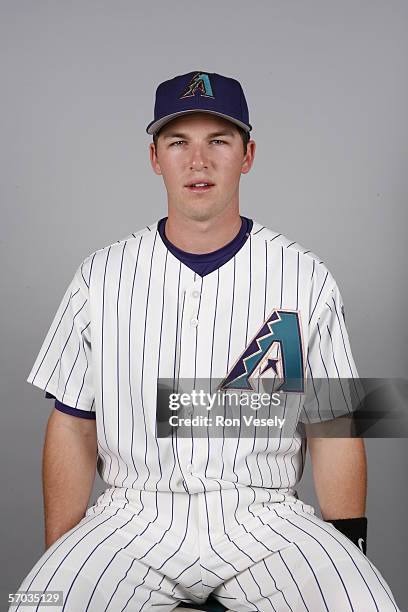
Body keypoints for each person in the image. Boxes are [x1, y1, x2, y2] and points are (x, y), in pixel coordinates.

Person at [10, 71, 401, 612]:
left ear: (248, 155)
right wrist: (60, 554)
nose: (198, 161)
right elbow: (74, 422)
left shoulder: (305, 276)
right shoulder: (99, 276)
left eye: (218, 140)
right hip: (132, 516)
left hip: (264, 517)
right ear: (155, 157)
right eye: (179, 142)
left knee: (367, 605)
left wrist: (351, 552)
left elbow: (335, 426)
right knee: (41, 604)